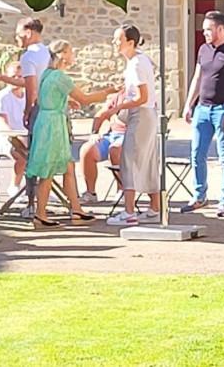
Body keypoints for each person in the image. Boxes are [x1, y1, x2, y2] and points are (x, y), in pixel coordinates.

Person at [26, 39, 107, 228]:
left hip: (47, 122)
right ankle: (40, 214)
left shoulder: (47, 74)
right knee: (48, 169)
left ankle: (76, 209)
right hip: (53, 126)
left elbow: (46, 97)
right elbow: (85, 98)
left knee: (68, 167)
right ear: (62, 55)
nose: (73, 55)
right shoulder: (61, 77)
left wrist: (64, 102)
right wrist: (108, 92)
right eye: (70, 52)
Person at [180, 10, 224, 218]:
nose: (205, 33)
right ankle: (199, 196)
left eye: (209, 29)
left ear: (220, 29)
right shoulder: (203, 50)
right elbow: (197, 78)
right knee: (197, 154)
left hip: (223, 108)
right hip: (203, 109)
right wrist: (188, 104)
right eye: (204, 29)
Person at [107, 25, 161, 226]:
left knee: (128, 160)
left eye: (118, 39)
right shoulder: (140, 60)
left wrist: (116, 108)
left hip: (141, 114)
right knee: (147, 160)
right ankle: (154, 207)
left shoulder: (136, 63)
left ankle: (129, 212)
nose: (114, 43)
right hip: (146, 114)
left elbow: (142, 97)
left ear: (130, 42)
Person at [79, 89, 128, 204]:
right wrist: (94, 133)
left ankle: (122, 190)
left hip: (131, 136)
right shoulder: (120, 96)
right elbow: (100, 115)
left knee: (115, 149)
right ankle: (90, 192)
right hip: (112, 135)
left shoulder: (141, 97)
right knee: (87, 149)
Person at [0, 61, 30, 193]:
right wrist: (16, 135)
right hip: (4, 137)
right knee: (20, 153)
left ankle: (36, 188)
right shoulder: (2, 98)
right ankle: (14, 187)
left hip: (26, 136)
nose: (17, 80)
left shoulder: (28, 97)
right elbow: (1, 122)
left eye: (20, 77)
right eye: (13, 76)